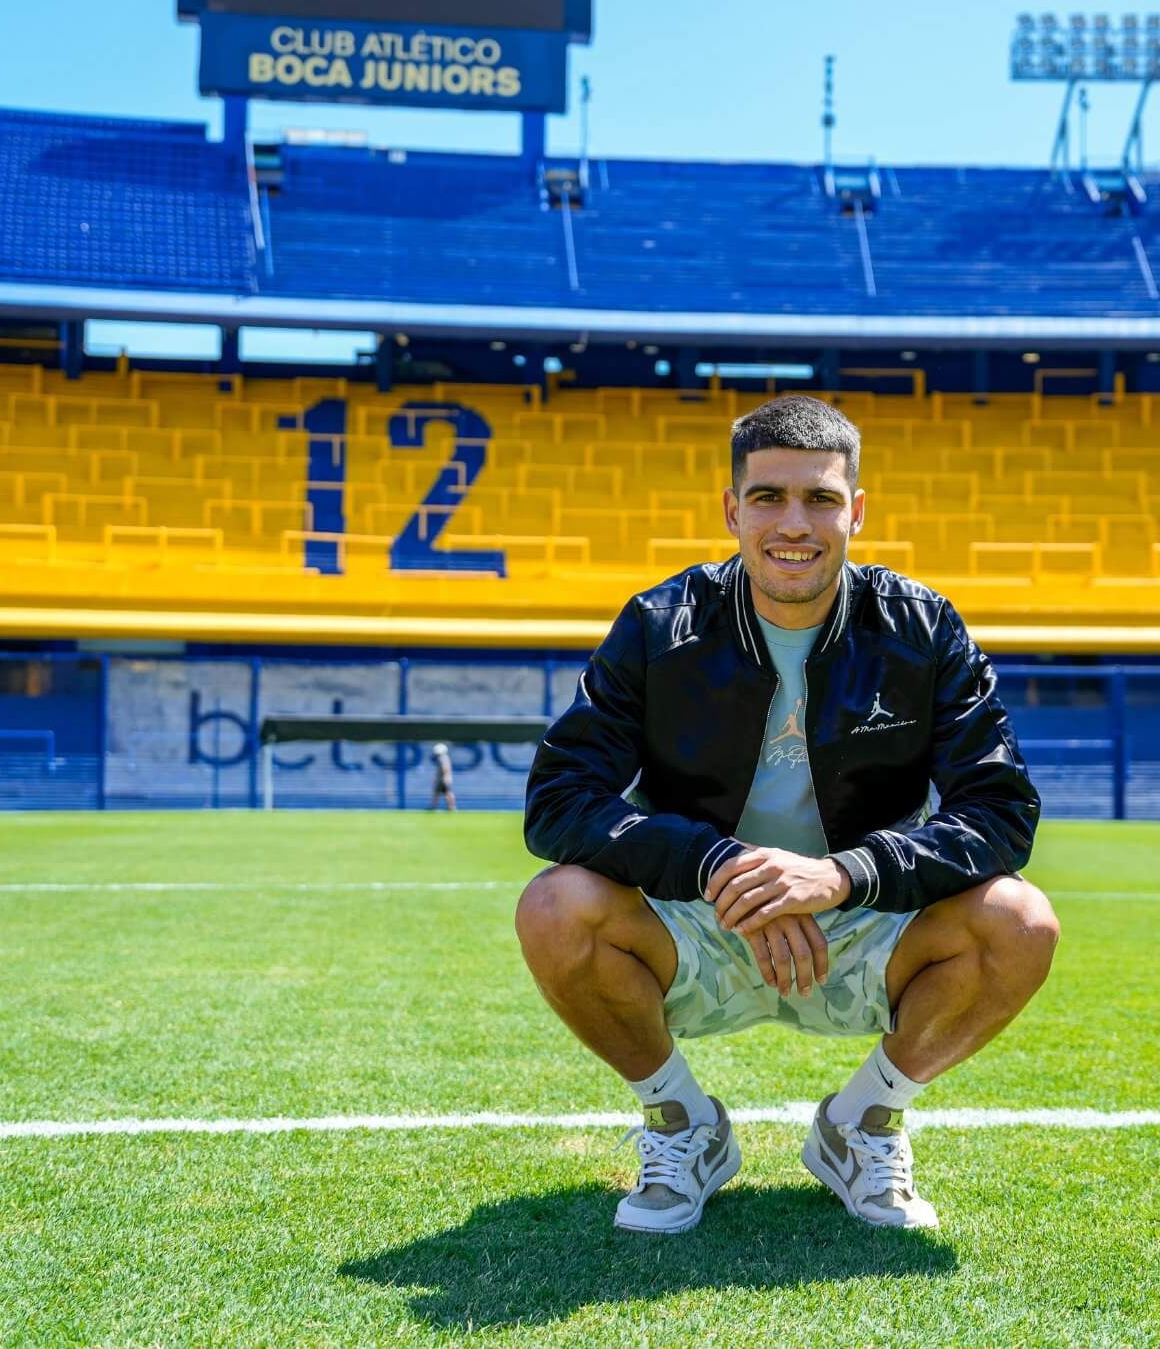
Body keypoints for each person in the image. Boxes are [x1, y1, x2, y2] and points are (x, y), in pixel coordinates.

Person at [518, 394, 1055, 1235]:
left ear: (858, 510)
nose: (793, 524)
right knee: (555, 906)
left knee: (1021, 921)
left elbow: (1000, 812)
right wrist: (721, 865)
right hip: (700, 918)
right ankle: (683, 1124)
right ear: (733, 510)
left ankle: (862, 1124)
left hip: (859, 921)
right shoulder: (661, 624)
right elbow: (559, 800)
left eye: (820, 498)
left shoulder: (921, 626)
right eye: (768, 497)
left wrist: (844, 875)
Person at [428, 742, 457, 812]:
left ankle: (451, 807)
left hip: (443, 779)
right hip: (443, 779)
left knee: (446, 793)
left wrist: (443, 777)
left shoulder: (442, 758)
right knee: (439, 793)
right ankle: (435, 807)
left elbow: (445, 768)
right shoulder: (444, 757)